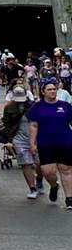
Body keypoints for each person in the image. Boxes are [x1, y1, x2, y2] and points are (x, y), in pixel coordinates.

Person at [28, 81, 72, 209]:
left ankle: (69, 199)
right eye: (49, 89)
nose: (53, 91)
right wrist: (32, 143)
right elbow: (33, 125)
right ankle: (54, 185)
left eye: (54, 89)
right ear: (43, 92)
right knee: (48, 172)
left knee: (66, 169)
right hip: (45, 143)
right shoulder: (37, 107)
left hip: (65, 142)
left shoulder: (65, 106)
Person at [1, 85, 42, 198]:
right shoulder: (9, 107)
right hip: (19, 138)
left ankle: (39, 179)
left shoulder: (34, 106)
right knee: (25, 163)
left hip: (35, 137)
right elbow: (7, 123)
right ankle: (32, 188)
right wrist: (9, 140)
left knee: (40, 164)